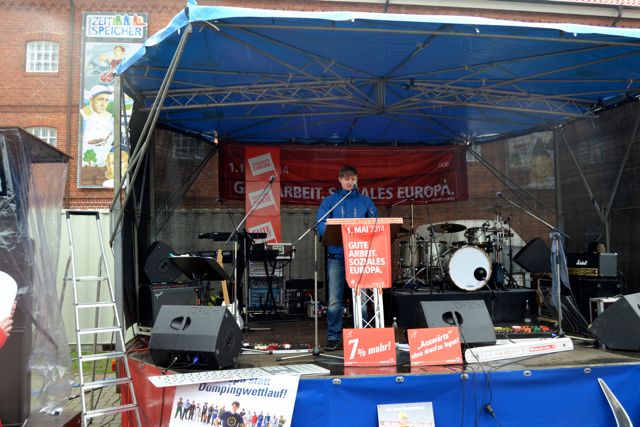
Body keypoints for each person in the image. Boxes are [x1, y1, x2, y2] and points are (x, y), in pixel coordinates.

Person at [316, 165, 377, 351]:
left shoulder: (365, 201)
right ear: (340, 180)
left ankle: (363, 334)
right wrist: (336, 232)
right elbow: (321, 224)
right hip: (337, 257)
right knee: (335, 300)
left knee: (362, 299)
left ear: (357, 180)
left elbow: (376, 223)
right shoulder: (331, 201)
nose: (350, 182)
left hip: (360, 257)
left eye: (353, 179)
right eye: (346, 179)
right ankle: (333, 336)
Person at [81, 84, 114, 168]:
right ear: (91, 100)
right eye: (100, 99)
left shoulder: (111, 119)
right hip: (88, 165)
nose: (103, 104)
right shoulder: (83, 117)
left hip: (107, 165)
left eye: (106, 100)